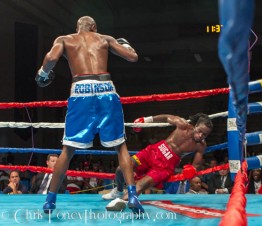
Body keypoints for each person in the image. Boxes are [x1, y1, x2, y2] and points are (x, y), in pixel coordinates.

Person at [35, 16, 142, 213]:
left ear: (77, 28)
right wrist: (128, 46)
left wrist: (42, 73)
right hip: (106, 89)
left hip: (80, 90)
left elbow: (50, 59)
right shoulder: (105, 38)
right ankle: (133, 196)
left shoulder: (65, 39)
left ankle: (50, 201)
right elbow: (132, 57)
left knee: (68, 150)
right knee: (121, 146)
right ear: (94, 27)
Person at [103, 113, 213, 211]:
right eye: (199, 131)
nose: (200, 136)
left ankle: (122, 201)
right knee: (121, 169)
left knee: (144, 183)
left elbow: (196, 164)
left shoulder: (201, 145)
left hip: (166, 166)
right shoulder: (182, 124)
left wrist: (192, 170)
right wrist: (146, 120)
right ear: (195, 126)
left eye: (205, 135)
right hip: (153, 152)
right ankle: (119, 190)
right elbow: (165, 117)